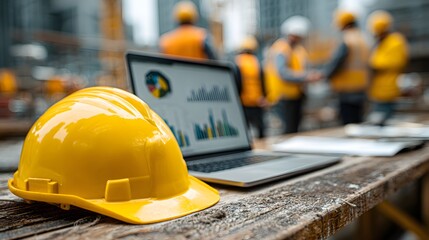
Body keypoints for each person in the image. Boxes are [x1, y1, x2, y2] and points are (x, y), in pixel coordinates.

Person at [265, 16, 322, 134]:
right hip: (283, 96)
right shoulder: (281, 48)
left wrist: (310, 75)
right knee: (288, 130)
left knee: (295, 129)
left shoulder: (298, 50)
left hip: (296, 95)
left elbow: (303, 67)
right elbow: (283, 73)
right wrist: (306, 77)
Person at [324, 10, 369, 125]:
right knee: (358, 121)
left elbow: (336, 63)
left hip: (347, 88)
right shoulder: (363, 38)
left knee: (348, 124)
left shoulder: (347, 40)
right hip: (361, 86)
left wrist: (325, 75)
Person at [367, 10, 408, 125]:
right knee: (379, 121)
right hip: (377, 91)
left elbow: (384, 63)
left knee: (386, 122)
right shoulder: (381, 43)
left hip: (389, 90)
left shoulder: (395, 41)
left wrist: (373, 64)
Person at [234, 36, 268, 138]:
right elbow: (263, 80)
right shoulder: (256, 62)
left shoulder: (237, 61)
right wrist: (264, 97)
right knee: (261, 129)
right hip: (257, 101)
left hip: (243, 102)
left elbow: (237, 81)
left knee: (244, 130)